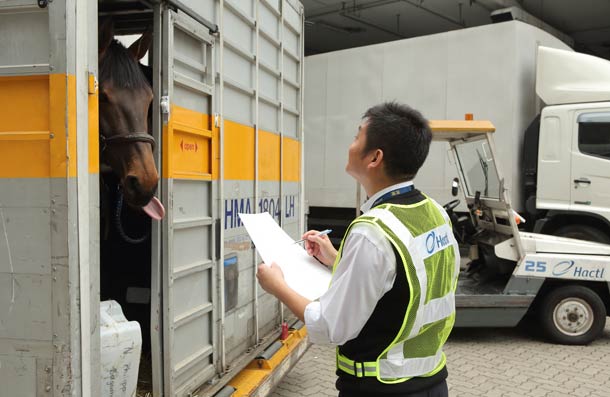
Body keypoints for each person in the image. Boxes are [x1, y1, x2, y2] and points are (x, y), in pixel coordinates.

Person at [256, 102, 460, 397]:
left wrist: (278, 287)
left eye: (357, 137)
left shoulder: (372, 232)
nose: (350, 145)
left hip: (380, 389)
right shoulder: (434, 212)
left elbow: (330, 327)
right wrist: (336, 258)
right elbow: (403, 282)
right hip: (431, 383)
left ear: (375, 157)